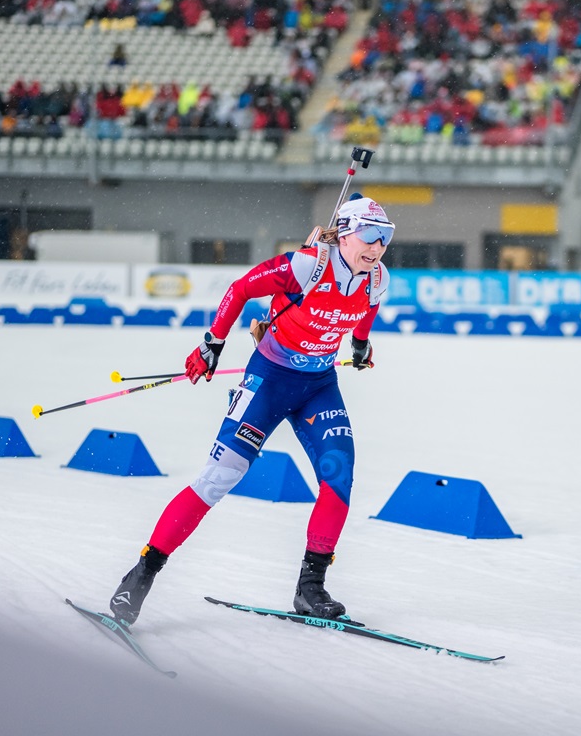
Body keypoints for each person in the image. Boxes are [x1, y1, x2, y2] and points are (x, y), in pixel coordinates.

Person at [108, 197, 394, 626]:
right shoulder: (306, 265)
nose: (377, 247)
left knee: (339, 478)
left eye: (385, 238)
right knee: (217, 480)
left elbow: (365, 313)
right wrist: (211, 345)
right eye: (370, 236)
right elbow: (241, 288)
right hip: (269, 383)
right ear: (346, 232)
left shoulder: (377, 279)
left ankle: (310, 588)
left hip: (319, 387)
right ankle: (141, 575)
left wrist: (359, 345)